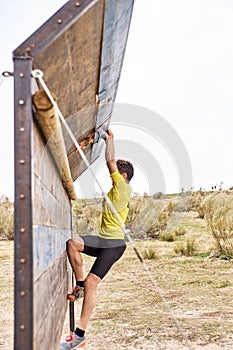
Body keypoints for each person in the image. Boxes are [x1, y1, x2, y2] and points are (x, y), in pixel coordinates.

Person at [60, 129, 134, 349]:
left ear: (124, 176)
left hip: (114, 245)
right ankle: (80, 285)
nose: (111, 174)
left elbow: (110, 160)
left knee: (95, 283)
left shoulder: (122, 186)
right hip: (104, 239)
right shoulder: (115, 189)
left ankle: (80, 335)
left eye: (116, 172)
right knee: (73, 243)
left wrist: (109, 140)